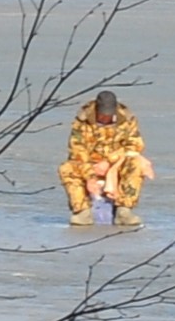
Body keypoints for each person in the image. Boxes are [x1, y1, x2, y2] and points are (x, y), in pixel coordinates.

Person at [58, 89, 152, 227]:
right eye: (102, 115)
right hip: (90, 164)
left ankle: (124, 211)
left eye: (108, 115)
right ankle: (82, 211)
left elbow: (135, 145)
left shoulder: (127, 119)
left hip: (116, 163)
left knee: (136, 163)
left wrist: (110, 162)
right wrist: (90, 176)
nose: (105, 118)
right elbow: (77, 151)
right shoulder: (82, 121)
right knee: (66, 168)